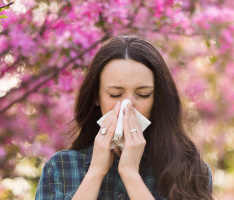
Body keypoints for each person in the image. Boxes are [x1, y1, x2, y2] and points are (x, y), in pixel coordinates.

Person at [35, 36, 213, 200]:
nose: (128, 105)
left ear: (157, 98)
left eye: (143, 94)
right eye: (115, 94)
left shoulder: (190, 172)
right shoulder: (61, 168)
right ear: (97, 96)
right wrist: (95, 172)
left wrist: (130, 174)